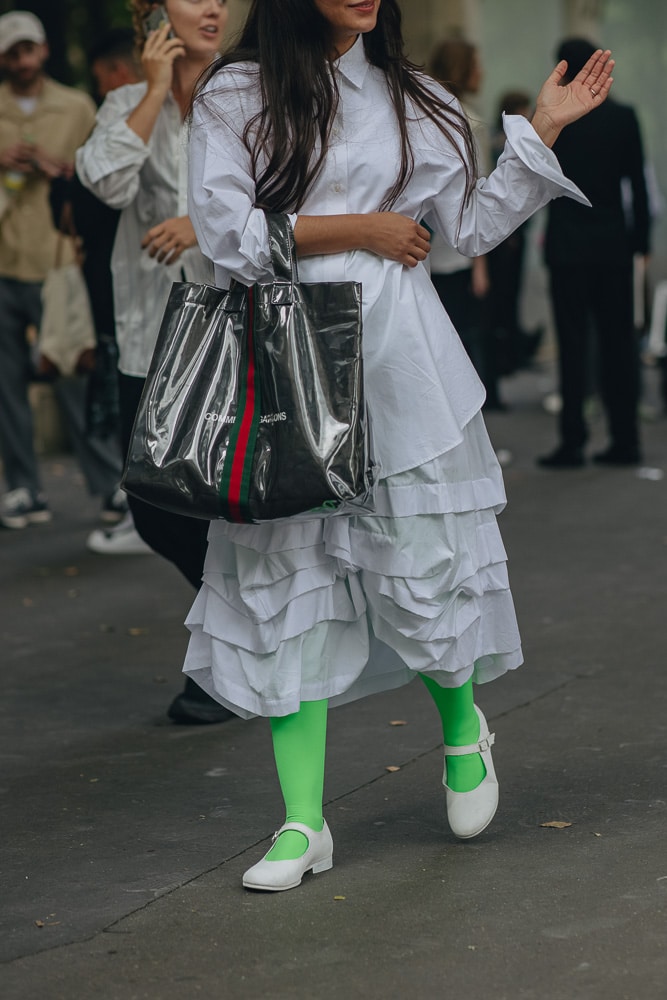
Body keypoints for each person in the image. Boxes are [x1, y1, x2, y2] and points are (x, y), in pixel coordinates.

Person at [184, 0, 613, 891]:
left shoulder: (415, 94)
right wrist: (359, 230)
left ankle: (464, 731)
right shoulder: (237, 90)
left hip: (402, 367)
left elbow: (464, 232)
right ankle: (303, 823)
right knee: (285, 589)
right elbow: (225, 234)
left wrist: (539, 130)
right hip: (287, 366)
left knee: (422, 568)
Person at [76, 0, 235, 724]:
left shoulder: (248, 89)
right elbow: (105, 183)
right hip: (149, 335)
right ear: (153, 13)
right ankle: (247, 630)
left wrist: (201, 224)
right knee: (151, 507)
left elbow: (290, 195)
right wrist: (149, 91)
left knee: (218, 503)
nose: (213, 7)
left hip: (230, 330)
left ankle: (230, 663)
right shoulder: (123, 101)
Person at [0, 10, 125, 530]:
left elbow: (100, 175)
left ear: (44, 50)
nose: (22, 60)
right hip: (5, 262)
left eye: (28, 49)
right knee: (8, 387)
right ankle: (25, 488)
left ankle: (108, 487)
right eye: (12, 52)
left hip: (60, 264)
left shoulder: (77, 106)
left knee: (77, 371)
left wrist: (55, 167)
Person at [538, 37, 650, 469]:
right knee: (618, 344)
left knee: (573, 345)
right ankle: (626, 440)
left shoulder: (561, 121)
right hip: (612, 247)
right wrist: (638, 243)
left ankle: (572, 442)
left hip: (568, 246)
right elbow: (636, 186)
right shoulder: (624, 118)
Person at [426, 38, 504, 410]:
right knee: (460, 339)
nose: (482, 72)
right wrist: (481, 264)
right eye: (476, 63)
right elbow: (478, 197)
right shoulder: (467, 120)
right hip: (454, 252)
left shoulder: (420, 111)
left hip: (423, 252)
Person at [487, 90, 544, 376]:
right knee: (505, 294)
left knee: (509, 295)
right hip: (508, 233)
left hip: (513, 231)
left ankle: (511, 349)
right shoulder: (504, 142)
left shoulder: (501, 139)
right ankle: (508, 353)